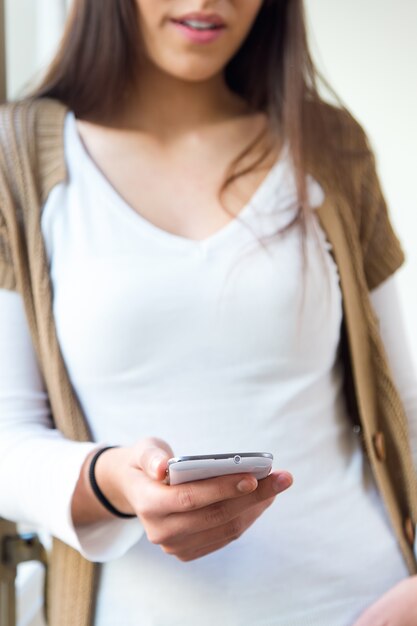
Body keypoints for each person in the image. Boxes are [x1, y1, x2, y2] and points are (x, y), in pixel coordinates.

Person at [0, 1, 416, 625]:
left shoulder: (329, 143)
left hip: (367, 601)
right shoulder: (18, 158)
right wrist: (113, 483)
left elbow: (403, 404)